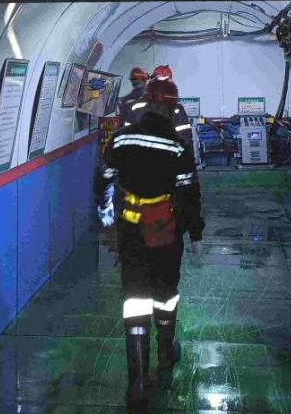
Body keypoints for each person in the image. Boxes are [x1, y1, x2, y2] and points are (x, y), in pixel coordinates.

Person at [96, 77, 205, 410]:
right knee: (166, 292)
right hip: (164, 228)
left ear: (146, 103)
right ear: (171, 108)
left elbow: (104, 178)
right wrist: (195, 231)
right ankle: (166, 351)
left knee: (135, 297)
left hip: (130, 228)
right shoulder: (177, 147)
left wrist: (105, 213)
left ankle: (138, 382)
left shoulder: (121, 138)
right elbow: (188, 194)